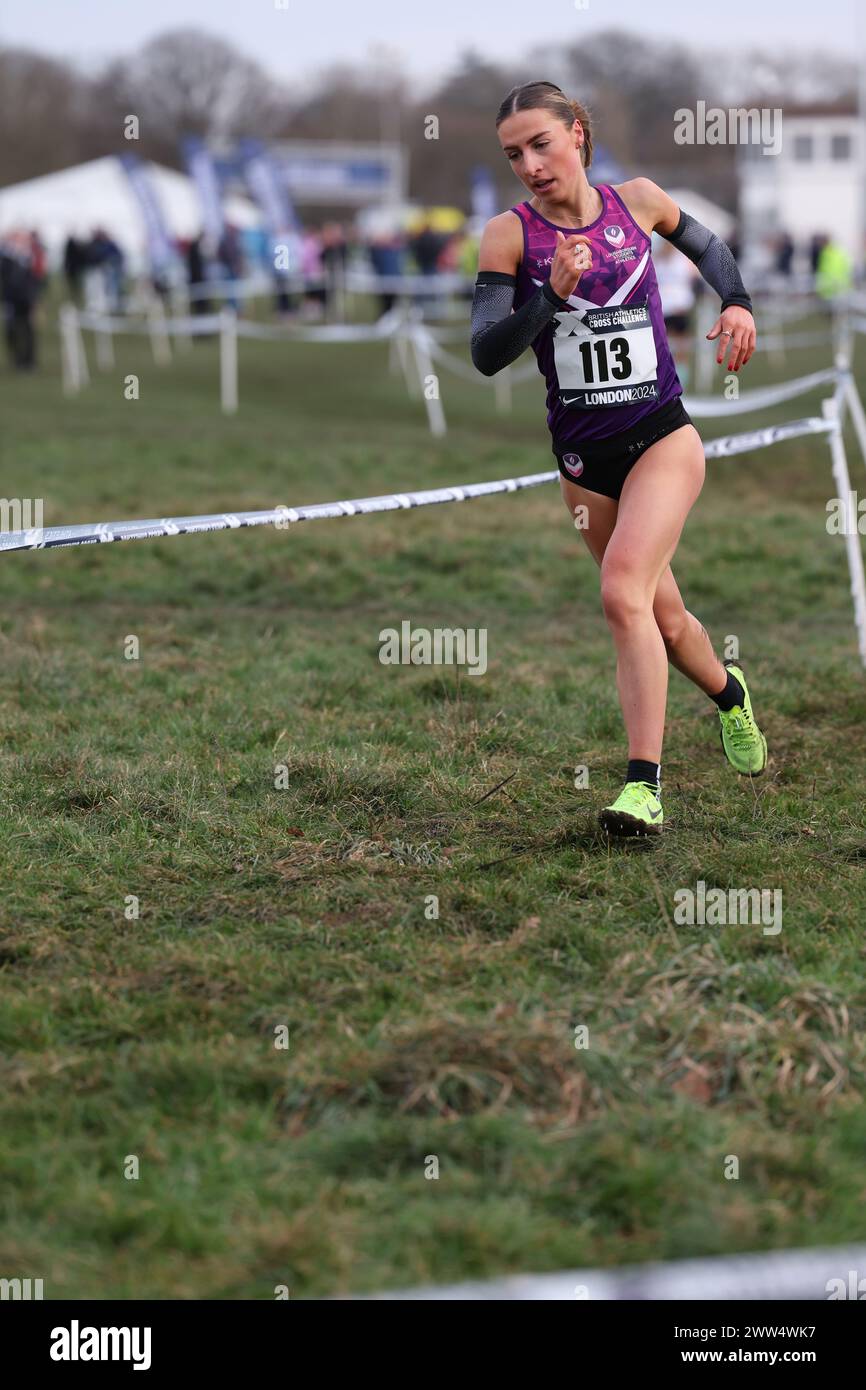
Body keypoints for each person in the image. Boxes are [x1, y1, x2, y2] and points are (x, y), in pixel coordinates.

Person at [471, 80, 765, 837]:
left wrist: (737, 303)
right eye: (514, 155)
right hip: (582, 462)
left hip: (663, 437)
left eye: (541, 143)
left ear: (577, 133)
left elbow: (711, 248)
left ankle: (643, 788)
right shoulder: (509, 236)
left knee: (620, 593)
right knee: (662, 619)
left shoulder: (637, 200)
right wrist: (546, 296)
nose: (531, 165)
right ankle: (731, 693)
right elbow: (485, 354)